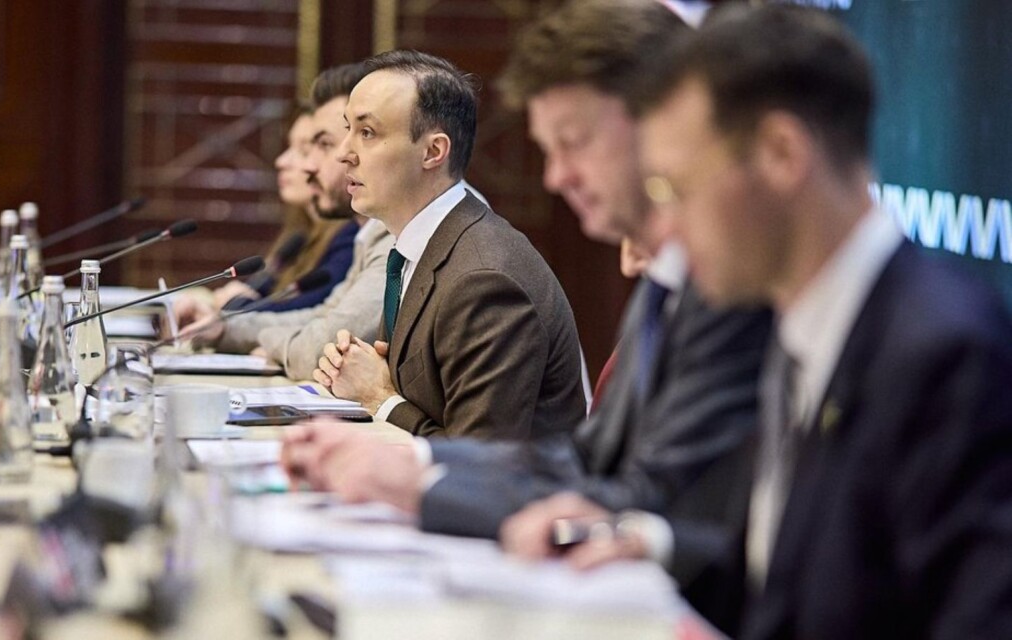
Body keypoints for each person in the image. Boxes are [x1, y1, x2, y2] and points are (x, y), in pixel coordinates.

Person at [508, 5, 1012, 638]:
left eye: (676, 188)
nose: (664, 226)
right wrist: (652, 543)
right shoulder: (808, 327)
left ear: (780, 154)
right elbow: (787, 576)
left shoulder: (943, 352)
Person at [283, 7, 770, 630]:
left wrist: (408, 461)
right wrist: (410, 467)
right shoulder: (671, 282)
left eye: (575, 142)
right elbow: (589, 461)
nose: (555, 177)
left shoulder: (720, 286)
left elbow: (658, 499)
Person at [310, 49, 586, 440]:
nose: (343, 154)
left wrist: (378, 397)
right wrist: (365, 370)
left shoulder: (484, 278)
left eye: (367, 133)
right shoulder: (421, 246)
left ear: (433, 152)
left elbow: (479, 463)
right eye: (347, 129)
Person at [176, 63, 394, 379]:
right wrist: (224, 328)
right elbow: (324, 316)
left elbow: (329, 344)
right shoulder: (371, 233)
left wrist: (275, 347)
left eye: (322, 145)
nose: (307, 165)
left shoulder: (386, 235)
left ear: (431, 152)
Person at [179, 107, 355, 317]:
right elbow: (258, 290)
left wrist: (239, 304)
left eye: (304, 151)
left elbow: (309, 310)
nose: (281, 161)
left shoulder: (349, 237)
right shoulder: (300, 235)